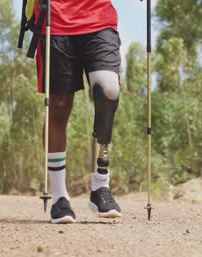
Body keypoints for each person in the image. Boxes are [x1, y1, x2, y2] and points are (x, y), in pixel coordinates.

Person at [34, 0, 122, 224]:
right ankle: (59, 197)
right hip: (56, 18)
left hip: (98, 16)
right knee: (59, 106)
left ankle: (100, 185)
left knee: (108, 89)